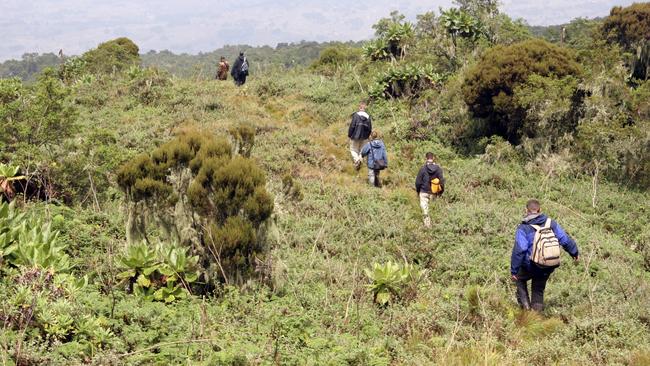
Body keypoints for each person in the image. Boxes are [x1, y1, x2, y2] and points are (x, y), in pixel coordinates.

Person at [511, 199, 579, 311]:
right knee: (538, 289)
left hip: (531, 265)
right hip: (548, 264)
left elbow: (520, 249)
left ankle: (526, 310)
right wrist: (574, 253)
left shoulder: (523, 228)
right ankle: (536, 316)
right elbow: (565, 240)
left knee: (519, 279)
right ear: (539, 210)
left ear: (526, 210)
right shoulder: (551, 223)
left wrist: (514, 271)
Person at [414, 152, 444, 228]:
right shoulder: (438, 168)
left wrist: (418, 191)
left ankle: (427, 226)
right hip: (434, 192)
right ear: (433, 158)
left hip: (423, 192)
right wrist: (440, 192)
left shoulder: (422, 169)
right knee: (433, 208)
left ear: (426, 158)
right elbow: (442, 182)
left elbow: (418, 182)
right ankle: (437, 225)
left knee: (425, 210)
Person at [347, 102, 372, 170]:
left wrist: (349, 135)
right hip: (365, 137)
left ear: (359, 107)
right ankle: (360, 161)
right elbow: (370, 129)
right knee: (362, 151)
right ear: (365, 108)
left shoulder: (356, 115)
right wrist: (367, 136)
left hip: (355, 136)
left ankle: (357, 160)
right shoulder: (368, 116)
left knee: (353, 149)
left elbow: (352, 126)